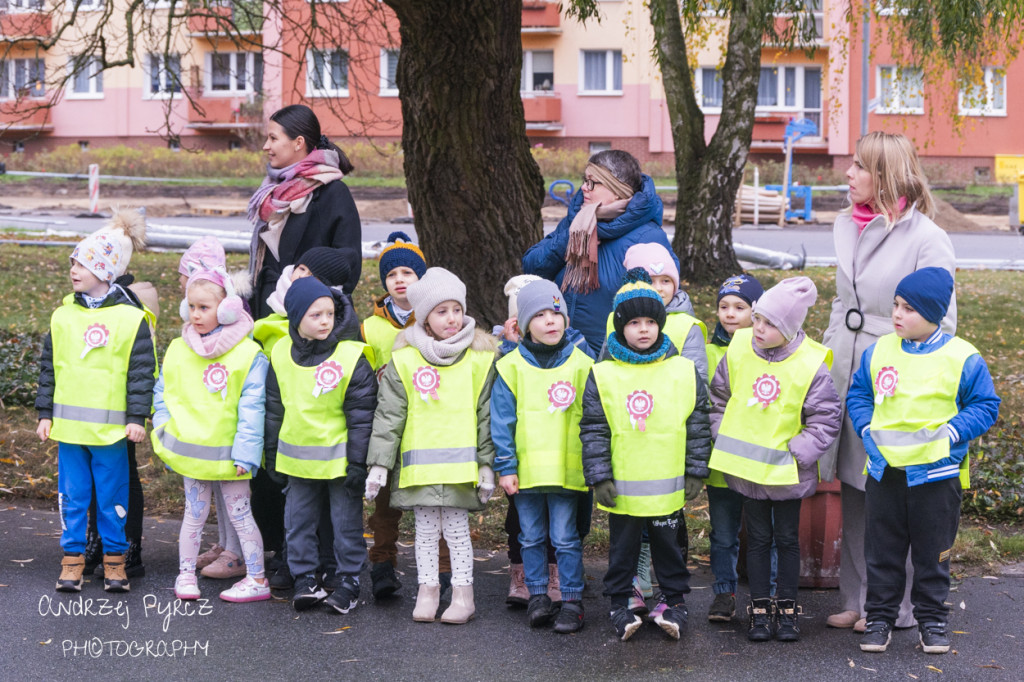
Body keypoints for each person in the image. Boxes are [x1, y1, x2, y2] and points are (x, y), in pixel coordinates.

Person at [822, 131, 957, 633]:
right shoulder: (848, 226)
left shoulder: (926, 237)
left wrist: (912, 377)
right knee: (855, 490)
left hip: (897, 377)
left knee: (894, 491)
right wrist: (829, 357)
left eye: (858, 167)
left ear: (884, 176)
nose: (849, 175)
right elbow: (842, 303)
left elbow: (943, 319)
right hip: (849, 369)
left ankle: (895, 605)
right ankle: (857, 600)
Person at [847, 268, 999, 655]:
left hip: (936, 474)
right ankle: (879, 620)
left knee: (932, 555)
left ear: (933, 314)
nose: (897, 314)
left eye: (909, 308)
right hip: (885, 472)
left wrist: (952, 433)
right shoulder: (879, 351)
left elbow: (985, 405)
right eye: (896, 305)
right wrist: (865, 429)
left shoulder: (962, 356)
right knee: (882, 553)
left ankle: (932, 622)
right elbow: (859, 395)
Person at [580, 269, 711, 642]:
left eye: (651, 321)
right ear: (620, 328)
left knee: (669, 548)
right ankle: (619, 603)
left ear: (661, 324)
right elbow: (594, 428)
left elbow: (698, 422)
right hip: (622, 489)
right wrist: (599, 476)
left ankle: (675, 603)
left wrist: (695, 471)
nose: (643, 329)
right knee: (622, 550)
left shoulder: (683, 370)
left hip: (667, 487)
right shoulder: (603, 374)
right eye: (634, 322)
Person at [708, 277, 842, 642]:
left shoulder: (810, 363)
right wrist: (721, 430)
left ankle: (787, 609)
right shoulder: (738, 349)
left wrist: (798, 452)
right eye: (758, 320)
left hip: (787, 472)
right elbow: (719, 397)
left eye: (769, 324)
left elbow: (826, 417)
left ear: (789, 328)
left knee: (786, 540)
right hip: (748, 469)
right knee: (757, 540)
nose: (758, 329)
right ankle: (760, 609)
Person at [364, 267, 498, 624]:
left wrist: (487, 465)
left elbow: (486, 415)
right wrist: (379, 465)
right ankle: (427, 591)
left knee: (456, 533)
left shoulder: (480, 359)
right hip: (419, 469)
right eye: (441, 312)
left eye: (457, 309)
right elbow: (389, 415)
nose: (451, 318)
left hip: (460, 469)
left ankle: (463, 595)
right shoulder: (404, 359)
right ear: (424, 318)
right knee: (423, 533)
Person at [37, 212, 155, 593]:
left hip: (111, 432)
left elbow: (140, 371)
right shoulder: (62, 316)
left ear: (105, 271)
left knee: (111, 497)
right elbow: (49, 369)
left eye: (84, 263)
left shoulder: (129, 317)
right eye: (73, 261)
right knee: (73, 498)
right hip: (70, 431)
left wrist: (138, 416)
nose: (74, 269)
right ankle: (72, 559)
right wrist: (44, 413)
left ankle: (116, 560)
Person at [151, 267, 270, 602]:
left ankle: (257, 578)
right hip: (193, 454)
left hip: (233, 458)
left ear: (228, 307)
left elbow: (252, 408)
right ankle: (186, 575)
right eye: (191, 307)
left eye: (204, 307)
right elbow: (162, 393)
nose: (195, 314)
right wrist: (163, 432)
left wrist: (246, 454)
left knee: (240, 514)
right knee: (194, 514)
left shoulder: (249, 355)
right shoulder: (178, 348)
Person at [264, 277, 378, 613]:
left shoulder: (350, 355)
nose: (325, 321)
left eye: (329, 313)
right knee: (297, 521)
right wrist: (271, 454)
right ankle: (304, 579)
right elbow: (274, 408)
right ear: (297, 317)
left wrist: (358, 463)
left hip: (340, 463)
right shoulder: (280, 354)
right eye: (316, 315)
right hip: (296, 461)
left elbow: (361, 415)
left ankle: (348, 581)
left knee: (345, 526)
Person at [491, 279, 593, 634]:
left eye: (557, 313)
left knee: (565, 538)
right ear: (522, 325)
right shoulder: (511, 366)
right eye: (541, 315)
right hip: (527, 474)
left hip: (568, 475)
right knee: (531, 537)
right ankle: (537, 596)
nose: (551, 321)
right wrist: (505, 467)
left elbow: (593, 418)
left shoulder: (583, 363)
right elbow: (502, 422)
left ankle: (572, 600)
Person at [360, 232, 448, 600]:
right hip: (387, 422)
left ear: (420, 279)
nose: (399, 280)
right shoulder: (370, 326)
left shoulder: (435, 319)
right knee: (385, 501)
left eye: (407, 273)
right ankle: (382, 564)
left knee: (437, 500)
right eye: (392, 274)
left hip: (427, 422)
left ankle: (444, 571)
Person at [522, 150, 677, 356]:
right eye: (584, 181)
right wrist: (574, 238)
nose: (584, 188)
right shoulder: (577, 222)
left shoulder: (648, 237)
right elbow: (533, 267)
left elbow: (659, 305)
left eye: (593, 183)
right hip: (564, 354)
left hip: (613, 359)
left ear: (617, 190)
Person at [82, 211, 158, 583]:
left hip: (117, 407)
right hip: (91, 406)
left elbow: (140, 362)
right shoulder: (86, 302)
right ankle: (99, 540)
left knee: (122, 476)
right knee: (97, 477)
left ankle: (128, 546)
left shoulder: (127, 304)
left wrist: (136, 412)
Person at [248, 104, 362, 319]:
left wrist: (311, 294)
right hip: (268, 311)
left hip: (313, 318)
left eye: (273, 138)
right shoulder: (271, 192)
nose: (265, 146)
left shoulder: (333, 192)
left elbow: (349, 261)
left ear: (298, 142)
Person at [703, 273, 764, 623]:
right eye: (723, 306)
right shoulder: (709, 352)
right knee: (723, 535)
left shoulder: (769, 353)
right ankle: (724, 594)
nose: (729, 314)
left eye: (739, 307)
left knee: (760, 535)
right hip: (720, 463)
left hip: (757, 464)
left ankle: (762, 596)